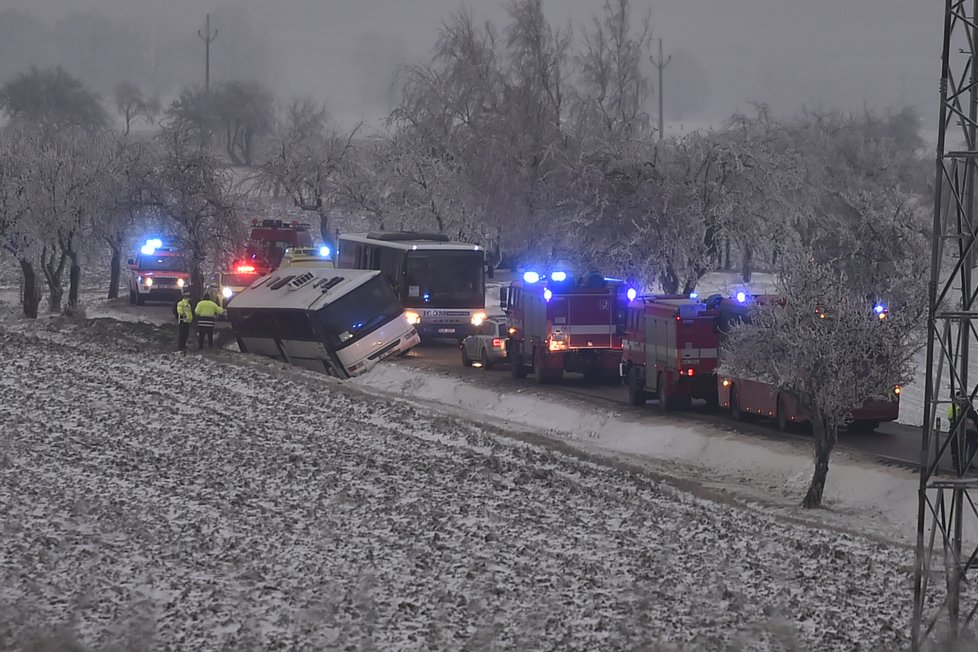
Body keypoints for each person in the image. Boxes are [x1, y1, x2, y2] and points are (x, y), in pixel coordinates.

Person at [947, 393, 978, 471]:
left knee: (962, 448)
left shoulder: (960, 410)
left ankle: (961, 463)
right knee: (969, 450)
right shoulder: (970, 413)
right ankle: (966, 464)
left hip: (963, 432)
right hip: (972, 433)